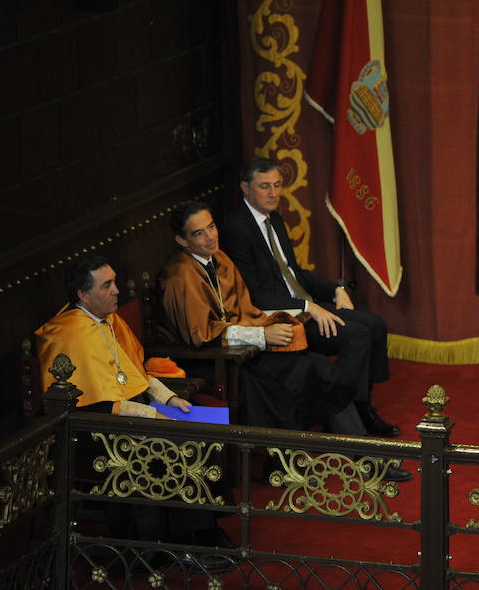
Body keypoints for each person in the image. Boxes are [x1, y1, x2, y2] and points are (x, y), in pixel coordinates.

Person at [158, 201, 411, 481]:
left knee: (321, 369)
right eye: (199, 233)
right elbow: (201, 333)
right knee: (297, 375)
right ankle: (286, 464)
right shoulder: (180, 275)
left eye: (212, 227)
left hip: (245, 351)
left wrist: (274, 327)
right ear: (182, 240)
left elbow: (245, 312)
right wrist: (263, 336)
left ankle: (363, 457)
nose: (211, 236)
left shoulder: (220, 260)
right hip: (212, 360)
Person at [34, 256, 232, 548]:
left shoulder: (107, 319)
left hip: (130, 411)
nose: (116, 290)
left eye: (114, 281)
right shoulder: (68, 334)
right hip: (95, 426)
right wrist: (153, 415)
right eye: (107, 285)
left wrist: (170, 398)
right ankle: (178, 539)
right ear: (83, 295)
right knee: (181, 444)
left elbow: (133, 373)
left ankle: (205, 527)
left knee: (205, 429)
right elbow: (92, 404)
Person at [223, 156, 398, 438]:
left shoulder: (274, 219)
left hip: (303, 306)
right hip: (282, 318)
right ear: (245, 188)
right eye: (265, 186)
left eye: (278, 185)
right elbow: (254, 293)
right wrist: (307, 306)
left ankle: (362, 407)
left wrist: (334, 290)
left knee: (375, 325)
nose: (273, 193)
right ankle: (343, 409)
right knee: (357, 335)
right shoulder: (236, 227)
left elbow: (294, 272)